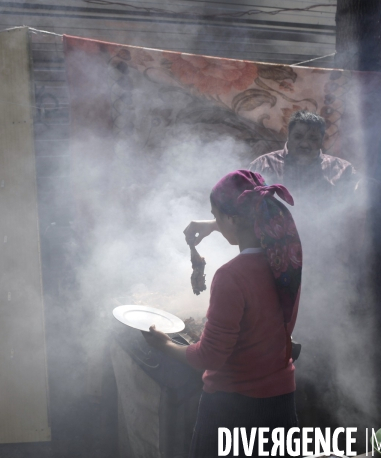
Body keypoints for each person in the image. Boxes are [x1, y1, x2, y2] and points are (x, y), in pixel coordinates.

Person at [143, 170, 302, 458]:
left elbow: (209, 357)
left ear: (235, 219)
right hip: (280, 403)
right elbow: (243, 224)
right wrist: (216, 225)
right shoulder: (287, 256)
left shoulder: (231, 276)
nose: (214, 220)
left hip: (235, 410)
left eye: (217, 214)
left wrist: (164, 344)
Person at [184, 110, 358, 246]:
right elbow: (243, 212)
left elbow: (361, 214)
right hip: (273, 259)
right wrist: (213, 225)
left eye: (313, 138)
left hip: (328, 263)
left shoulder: (342, 171)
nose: (305, 144)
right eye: (298, 137)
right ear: (288, 136)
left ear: (322, 141)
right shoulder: (263, 166)